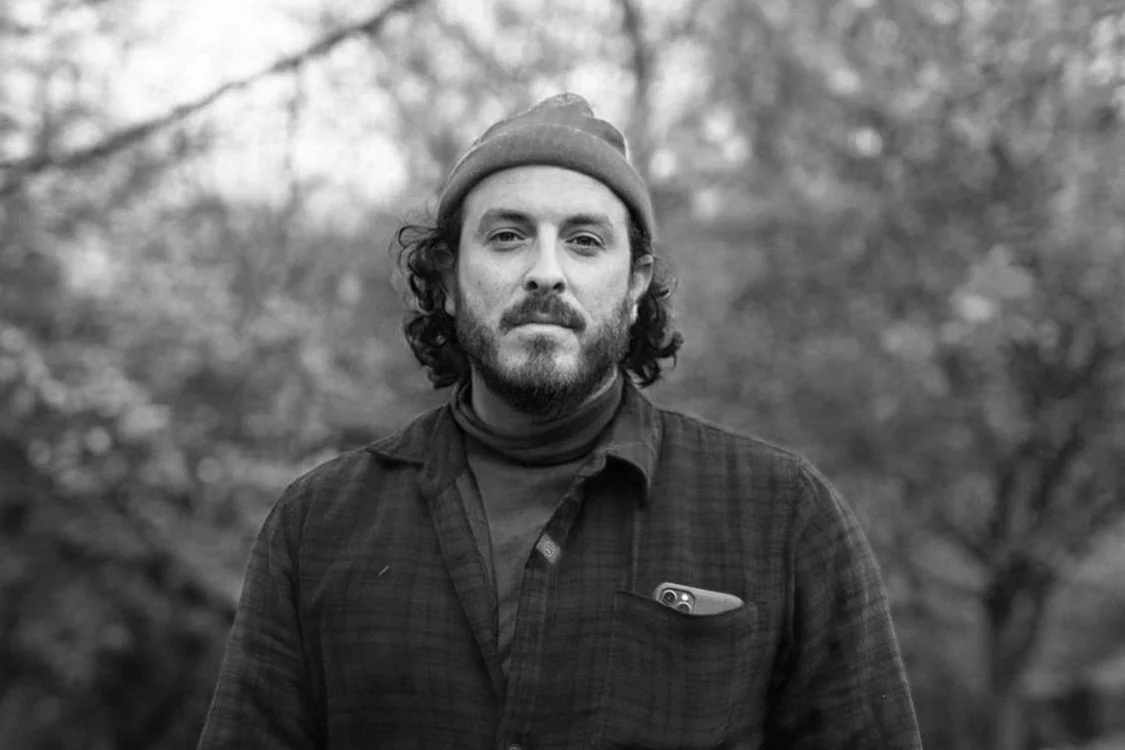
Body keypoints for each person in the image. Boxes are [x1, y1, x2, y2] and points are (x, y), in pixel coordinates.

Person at [198, 93, 922, 749]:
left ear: (635, 285)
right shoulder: (319, 525)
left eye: (584, 241)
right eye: (507, 236)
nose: (545, 271)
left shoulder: (782, 514)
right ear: (447, 279)